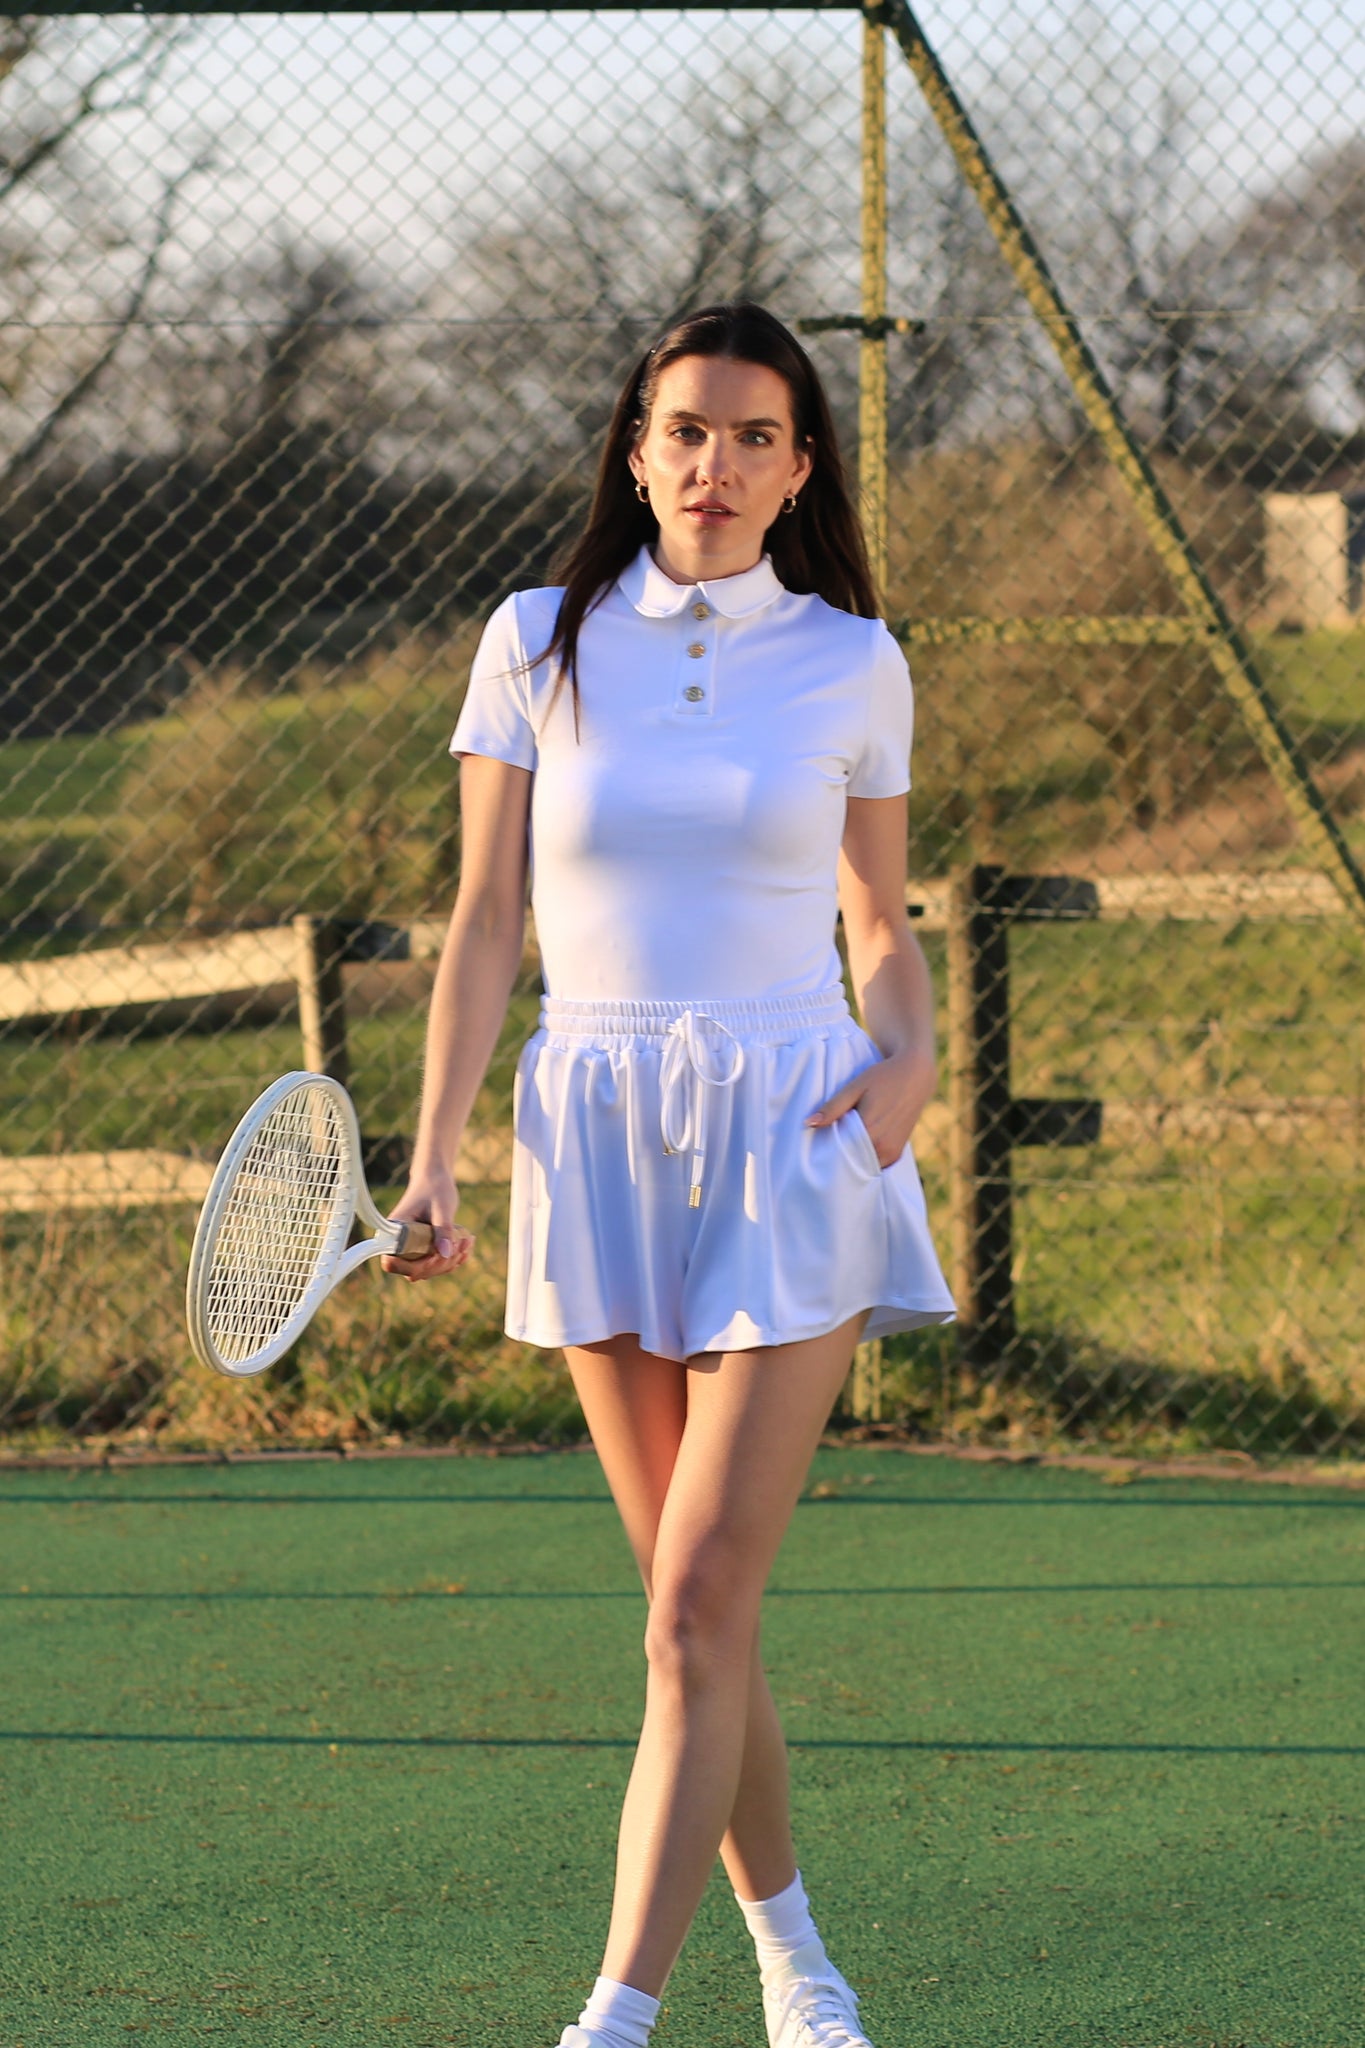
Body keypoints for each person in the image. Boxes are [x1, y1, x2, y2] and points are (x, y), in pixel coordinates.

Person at [383, 301, 954, 2048]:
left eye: (753, 437)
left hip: (796, 1135)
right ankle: (800, 1971)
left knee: (700, 1600)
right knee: (692, 1620)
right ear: (636, 454)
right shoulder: (531, 642)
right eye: (686, 430)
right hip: (595, 1138)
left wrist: (911, 1055)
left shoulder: (853, 659)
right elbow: (486, 921)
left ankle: (611, 2021)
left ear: (799, 471)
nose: (715, 464)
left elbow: (879, 922)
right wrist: (435, 1158)